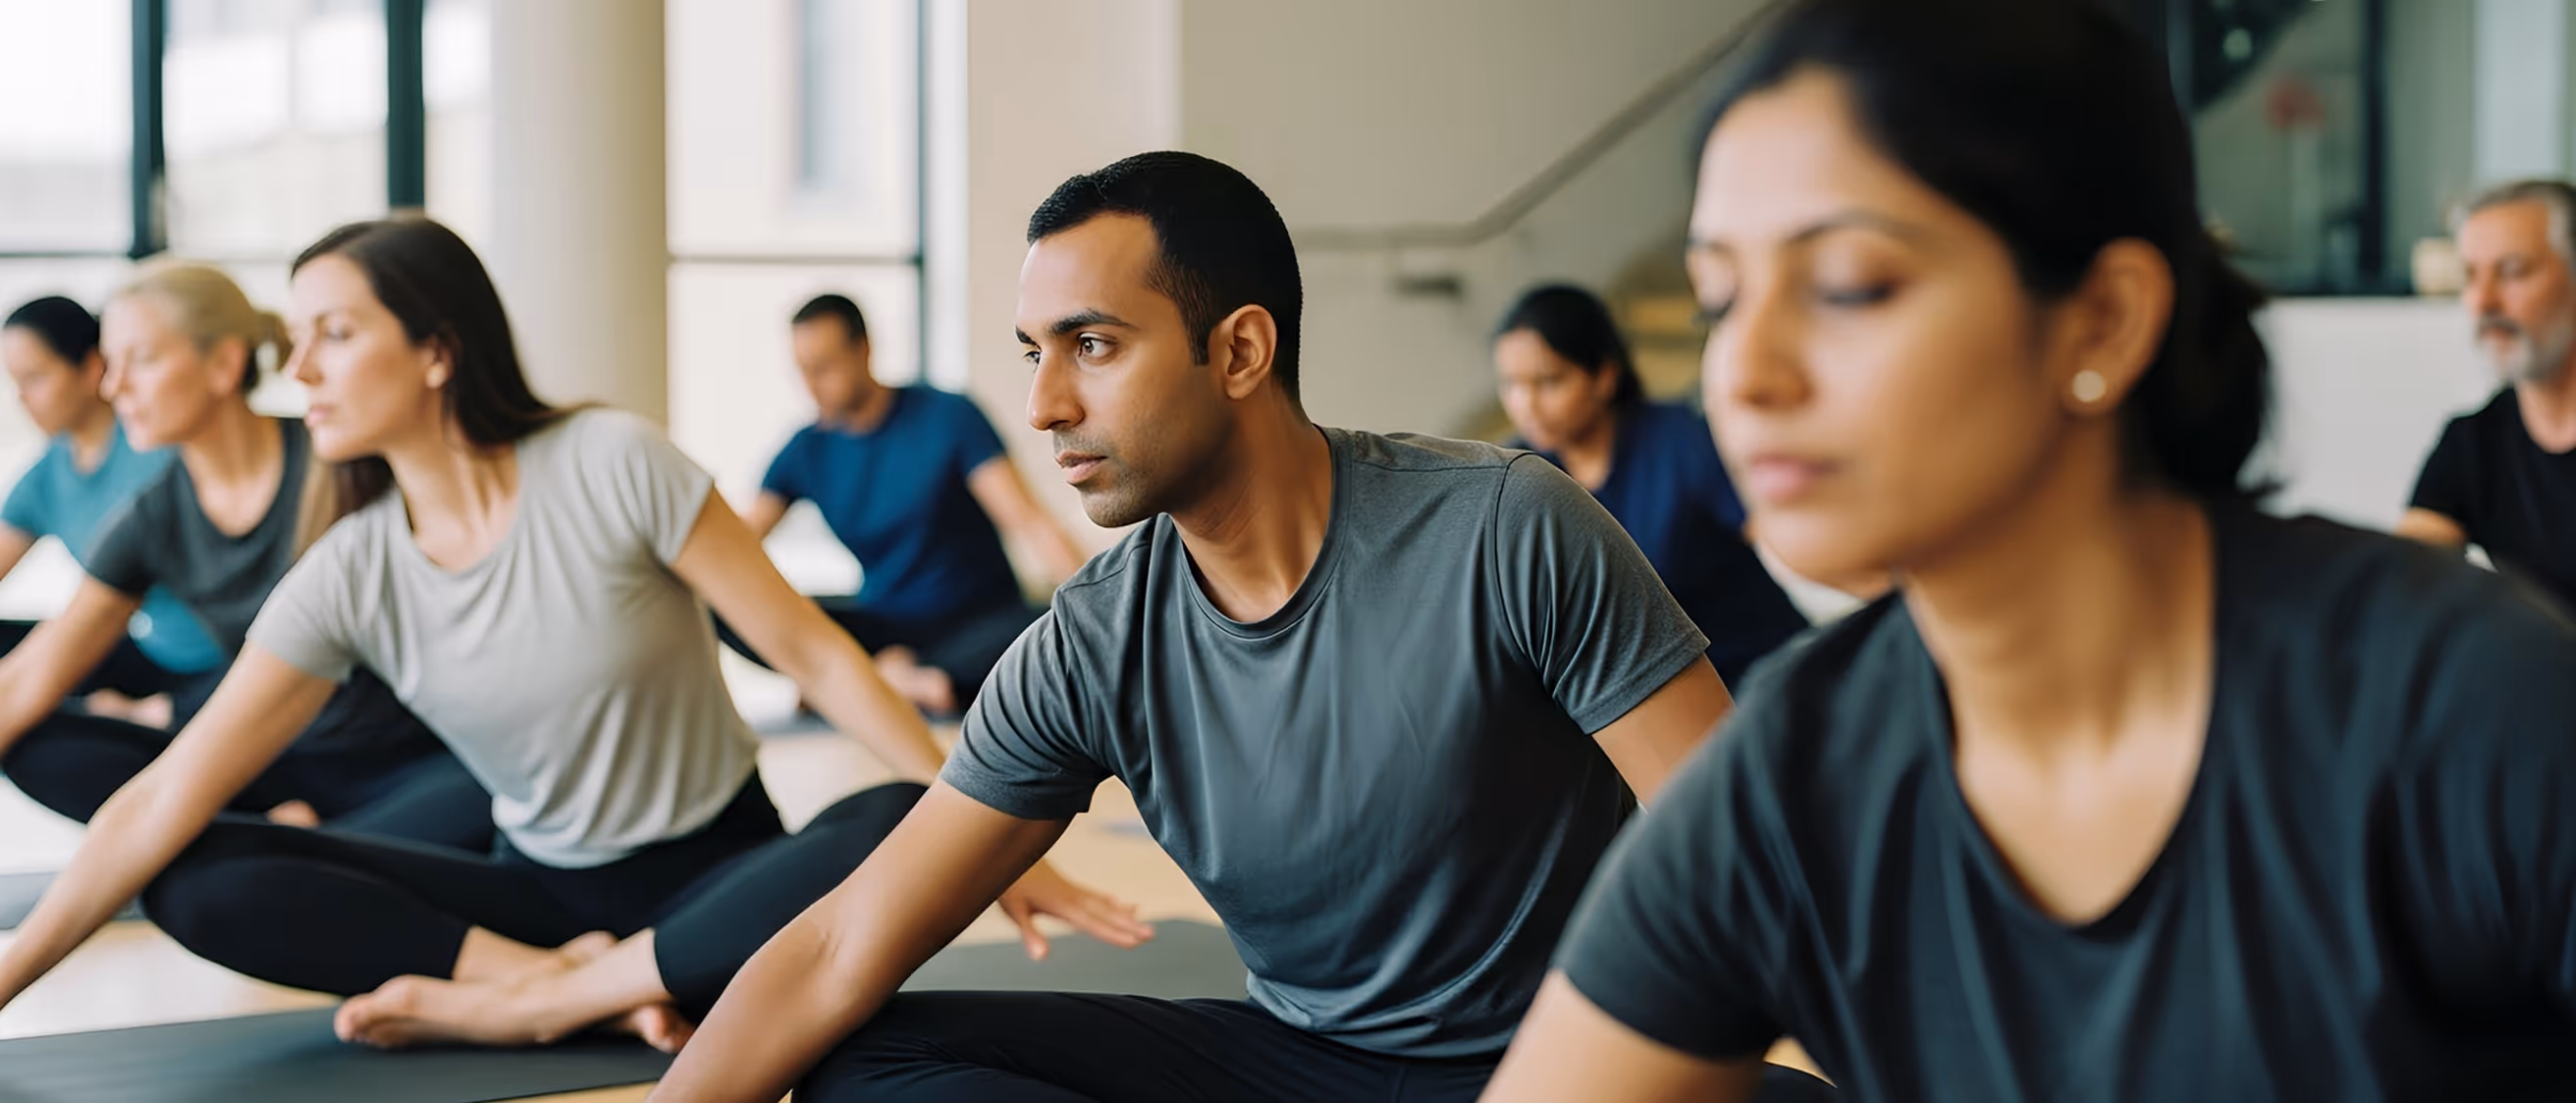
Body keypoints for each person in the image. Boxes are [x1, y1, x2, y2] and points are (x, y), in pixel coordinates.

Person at [1482, 1, 2576, 1100]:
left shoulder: (2460, 700)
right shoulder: (1796, 767)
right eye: (1719, 296)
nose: (1742, 372)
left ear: (2101, 318)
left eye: (1847, 285)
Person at [648, 150, 1829, 1103]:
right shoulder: (1093, 640)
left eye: (1092, 345)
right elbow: (844, 936)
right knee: (864, 1055)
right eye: (1034, 353)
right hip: (1297, 1063)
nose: (1045, 403)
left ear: (1240, 350)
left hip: (1571, 1059)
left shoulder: (1506, 527)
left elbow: (1738, 870)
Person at [0, 218, 1142, 1055]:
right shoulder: (350, 565)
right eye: (295, 340)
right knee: (196, 871)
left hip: (723, 870)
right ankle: (564, 975)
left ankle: (536, 1007)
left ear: (437, 349)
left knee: (902, 816)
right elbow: (162, 795)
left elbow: (813, 655)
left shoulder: (610, 460)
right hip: (537, 894)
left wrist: (983, 842)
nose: (297, 371)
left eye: (334, 335)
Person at [0, 266, 485, 849]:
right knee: (47, 753)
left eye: (143, 360)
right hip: (271, 755)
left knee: (264, 884)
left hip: (406, 759)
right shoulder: (150, 515)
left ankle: (290, 847)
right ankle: (276, 839)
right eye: (111, 362)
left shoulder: (342, 466)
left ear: (224, 366)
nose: (113, 386)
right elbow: (30, 677)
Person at [728, 293, 1092, 716]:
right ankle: (901, 677)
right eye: (803, 370)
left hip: (978, 621)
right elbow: (735, 542)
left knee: (1048, 628)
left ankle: (870, 680)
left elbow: (1030, 522)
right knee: (725, 606)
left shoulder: (948, 415)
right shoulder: (805, 450)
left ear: (863, 350)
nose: (812, 384)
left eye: (823, 367)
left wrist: (1097, 611)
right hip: (883, 624)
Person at [1493, 283, 1809, 684]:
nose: (1526, 405)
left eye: (1548, 382)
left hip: (1768, 671)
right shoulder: (1522, 476)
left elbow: (1778, 536)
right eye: (1511, 385)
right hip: (1657, 702)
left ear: (1604, 377)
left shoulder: (1677, 439)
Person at [0, 295, 227, 721]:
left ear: (91, 368)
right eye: (15, 382)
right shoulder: (47, 472)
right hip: (150, 650)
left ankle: (157, 717)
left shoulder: (157, 447)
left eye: (34, 378)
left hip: (222, 663)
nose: (21, 399)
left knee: (43, 736)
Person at [2396, 179, 2576, 615]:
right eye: (2471, 277)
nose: (2484, 301)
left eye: (2512, 271)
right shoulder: (2474, 443)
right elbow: (2400, 586)